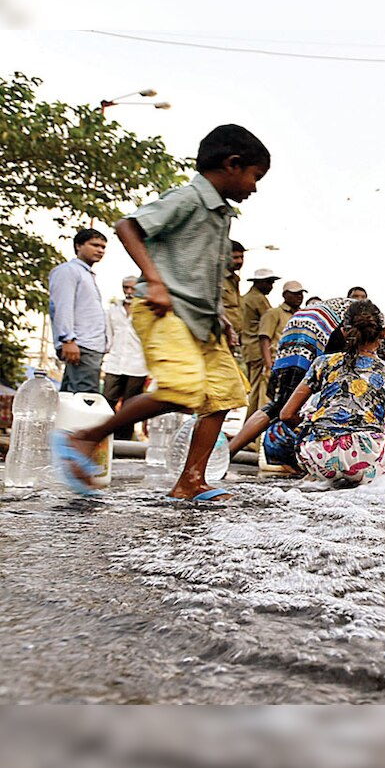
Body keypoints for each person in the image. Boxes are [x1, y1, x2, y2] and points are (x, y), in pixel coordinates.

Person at [51, 124, 270, 500]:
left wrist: (220, 317)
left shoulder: (220, 215)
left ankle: (190, 481)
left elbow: (202, 272)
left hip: (203, 321)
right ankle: (84, 436)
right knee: (181, 387)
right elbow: (127, 226)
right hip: (162, 308)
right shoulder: (187, 199)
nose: (254, 187)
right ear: (233, 164)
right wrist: (153, 281)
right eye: (254, 176)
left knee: (225, 394)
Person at [227, 297, 385, 472]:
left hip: (300, 320)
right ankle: (238, 456)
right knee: (288, 408)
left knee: (280, 405)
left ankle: (228, 454)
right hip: (319, 329)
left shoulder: (370, 344)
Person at [48, 228, 109, 393]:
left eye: (103, 247)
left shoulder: (87, 274)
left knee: (70, 398)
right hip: (80, 344)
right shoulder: (68, 271)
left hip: (90, 345)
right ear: (78, 246)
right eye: (95, 245)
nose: (100, 250)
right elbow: (62, 306)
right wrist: (67, 340)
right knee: (85, 398)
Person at [101, 276, 148, 440]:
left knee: (130, 407)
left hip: (138, 365)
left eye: (132, 288)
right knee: (106, 401)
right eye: (125, 287)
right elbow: (108, 336)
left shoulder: (146, 310)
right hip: (115, 362)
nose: (129, 292)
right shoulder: (113, 310)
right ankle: (104, 438)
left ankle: (123, 442)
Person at [241, 267, 279, 412]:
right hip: (258, 350)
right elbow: (269, 322)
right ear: (259, 283)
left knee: (255, 393)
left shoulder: (247, 297)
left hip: (249, 348)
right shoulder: (258, 299)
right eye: (269, 283)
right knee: (258, 393)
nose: (271, 286)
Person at [259, 279, 305, 370]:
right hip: (277, 361)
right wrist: (268, 364)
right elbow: (264, 339)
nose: (299, 296)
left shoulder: (304, 315)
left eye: (301, 293)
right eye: (295, 293)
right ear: (285, 295)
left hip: (298, 363)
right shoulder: (273, 313)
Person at [222, 240, 246, 373]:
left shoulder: (234, 280)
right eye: (235, 257)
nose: (239, 261)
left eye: (241, 257)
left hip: (233, 339)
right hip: (221, 336)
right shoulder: (218, 279)